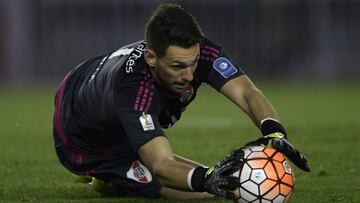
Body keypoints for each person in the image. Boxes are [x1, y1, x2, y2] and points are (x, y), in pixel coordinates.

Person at [53, 3, 310, 200]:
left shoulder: (199, 52)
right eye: (178, 66)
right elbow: (161, 164)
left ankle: (122, 172)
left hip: (95, 85)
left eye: (194, 62)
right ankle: (109, 177)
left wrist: (273, 130)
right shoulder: (134, 89)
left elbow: (246, 91)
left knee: (217, 183)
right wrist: (206, 178)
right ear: (151, 58)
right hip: (79, 134)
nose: (189, 75)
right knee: (194, 190)